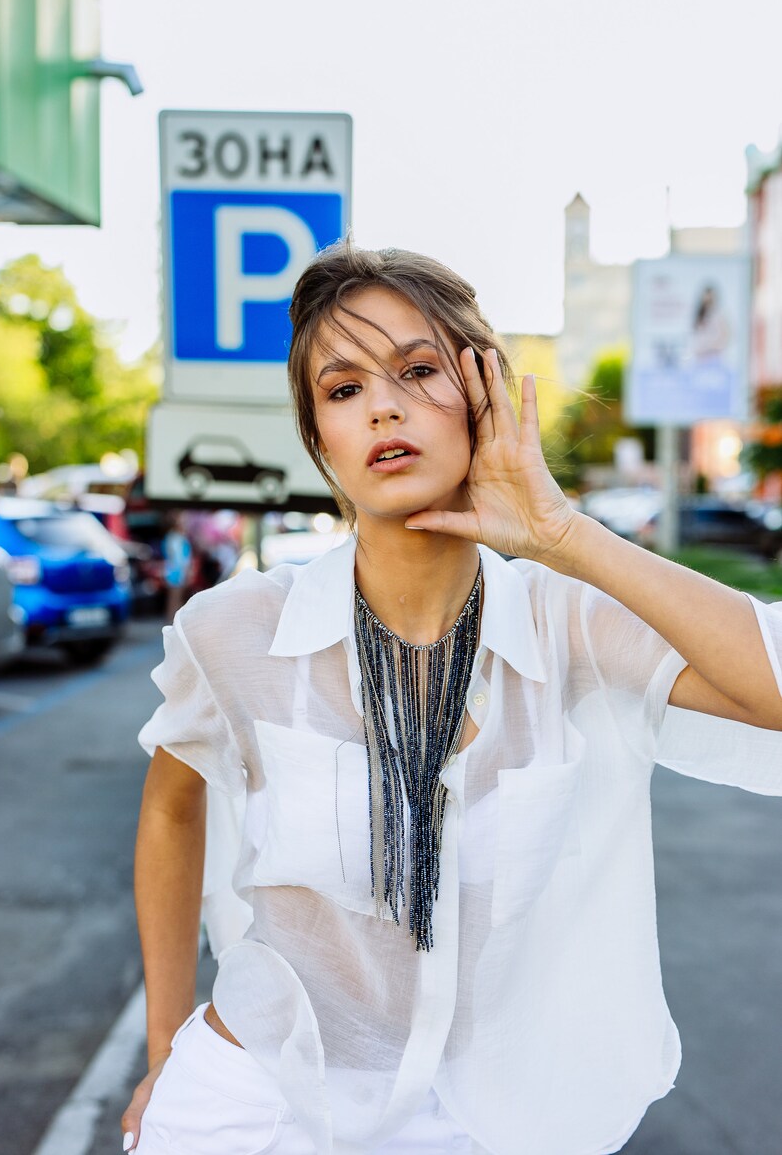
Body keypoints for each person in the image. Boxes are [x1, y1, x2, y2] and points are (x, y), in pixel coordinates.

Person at [123, 242, 782, 1155]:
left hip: (483, 1119)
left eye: (418, 370)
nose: (383, 403)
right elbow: (168, 812)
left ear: (485, 397)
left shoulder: (567, 624)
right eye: (343, 389)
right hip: (255, 1104)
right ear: (322, 441)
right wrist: (164, 1048)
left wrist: (562, 533)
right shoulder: (235, 631)